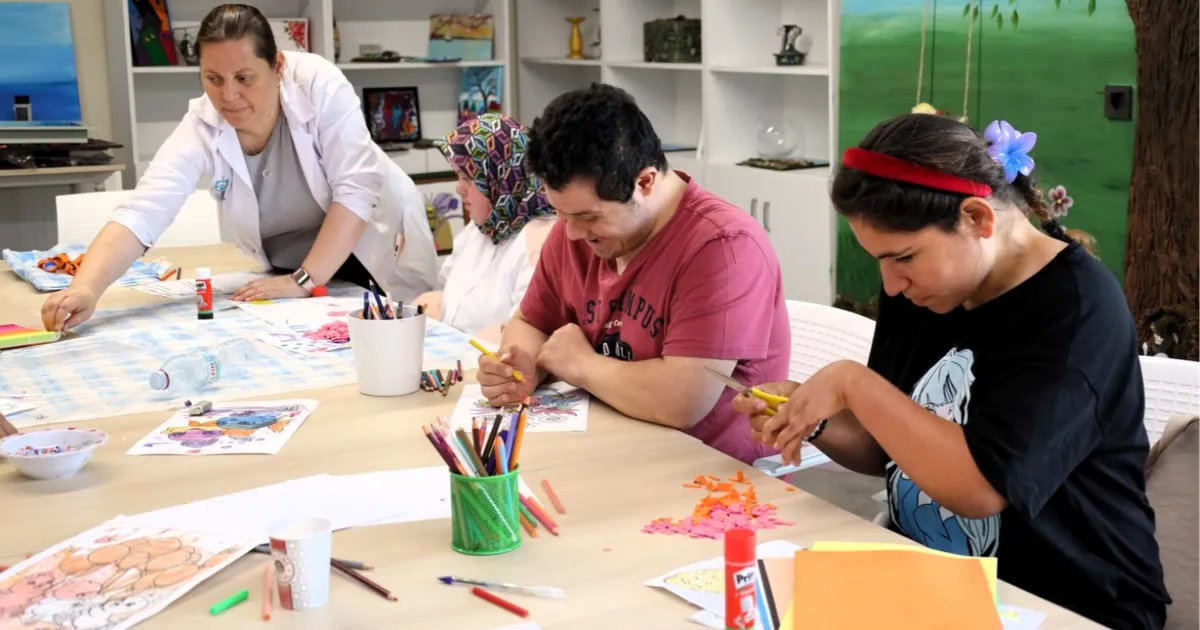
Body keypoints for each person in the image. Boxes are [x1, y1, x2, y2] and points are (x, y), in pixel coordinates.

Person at [734, 114, 1170, 628]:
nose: (891, 284)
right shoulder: (923, 290)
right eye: (879, 261)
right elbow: (889, 450)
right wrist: (815, 419)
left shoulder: (1074, 311)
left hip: (1067, 603)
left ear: (977, 218)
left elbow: (979, 489)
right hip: (935, 585)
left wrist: (854, 384)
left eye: (903, 257)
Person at [40, 3, 437, 332]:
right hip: (290, 271)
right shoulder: (202, 124)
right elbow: (142, 212)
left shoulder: (319, 85)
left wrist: (304, 280)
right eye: (213, 78)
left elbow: (355, 191)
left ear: (277, 65)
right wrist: (85, 289)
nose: (228, 95)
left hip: (368, 247)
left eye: (244, 78)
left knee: (392, 339)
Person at [476, 83, 790, 466]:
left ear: (644, 182)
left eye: (588, 216)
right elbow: (532, 321)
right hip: (609, 448)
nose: (571, 233)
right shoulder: (576, 229)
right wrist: (521, 364)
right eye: (560, 213)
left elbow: (681, 401)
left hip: (709, 473)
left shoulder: (723, 247)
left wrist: (580, 364)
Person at [413, 114, 556, 342]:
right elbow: (445, 293)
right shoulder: (477, 230)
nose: (459, 189)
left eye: (468, 179)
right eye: (458, 176)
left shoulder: (540, 240)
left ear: (502, 178)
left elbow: (529, 333)